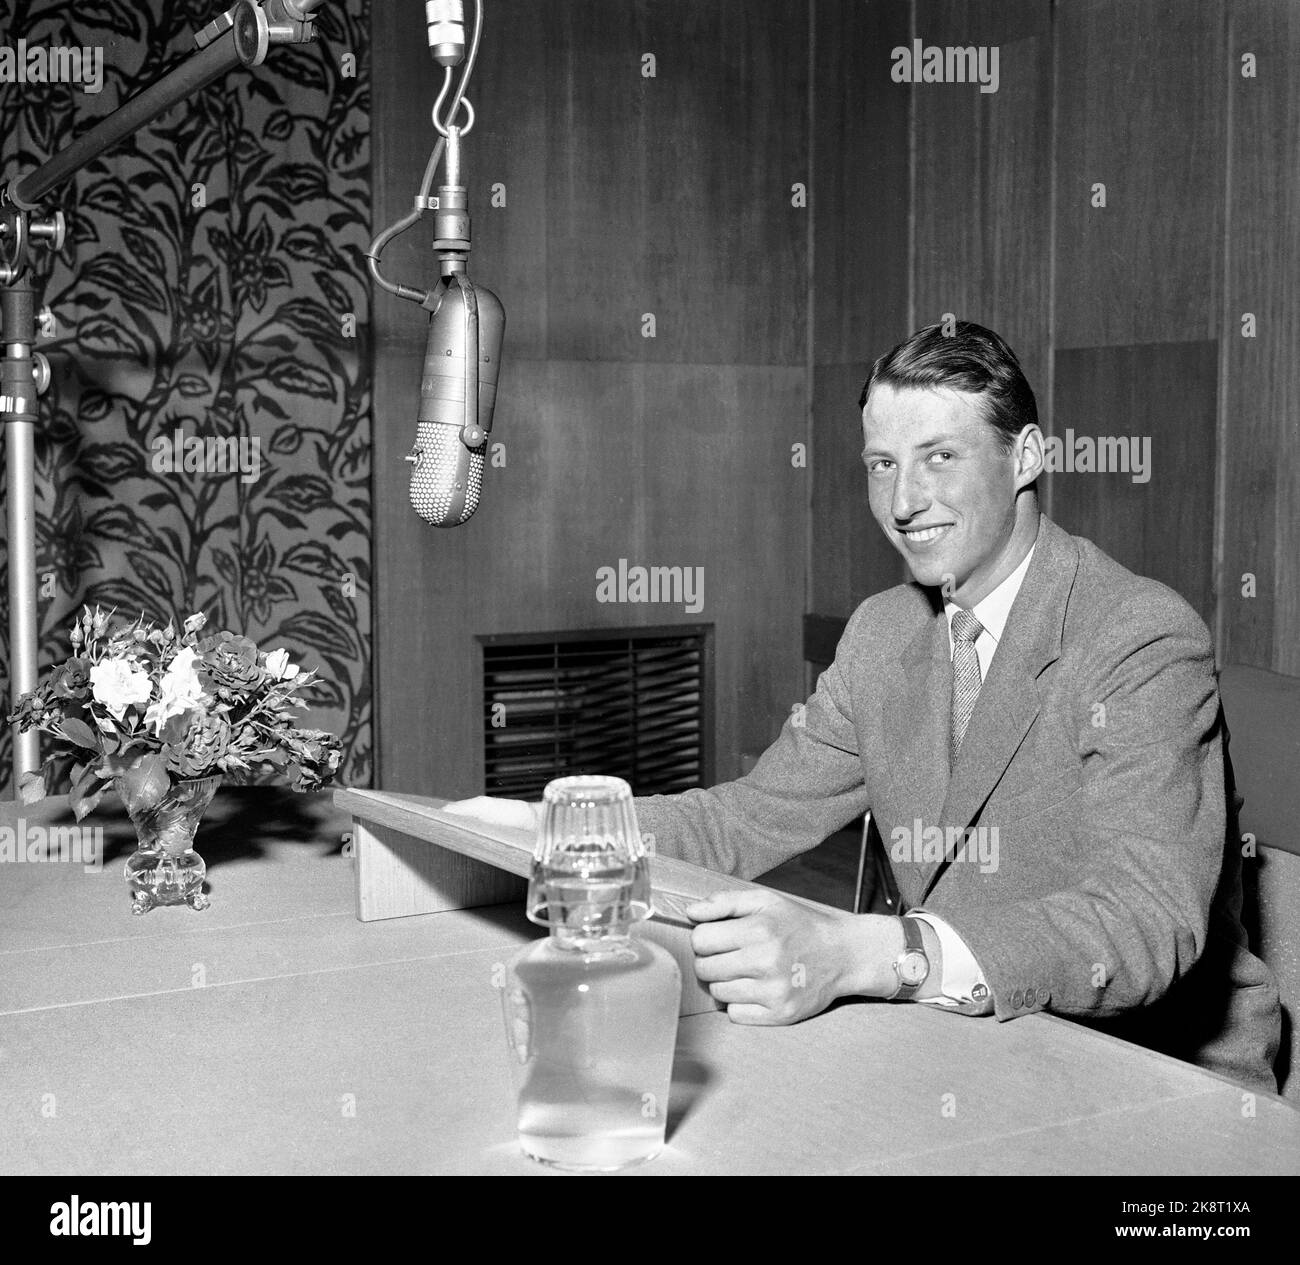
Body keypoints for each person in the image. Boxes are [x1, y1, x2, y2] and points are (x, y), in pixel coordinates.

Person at [448, 320, 1281, 1094]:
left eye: (940, 457)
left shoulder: (1139, 636)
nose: (905, 501)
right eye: (882, 464)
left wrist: (879, 955)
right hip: (975, 1047)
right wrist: (557, 833)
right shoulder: (886, 631)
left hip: (1156, 1078)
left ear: (1026, 456)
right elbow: (748, 816)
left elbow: (1144, 924)